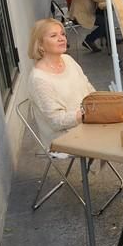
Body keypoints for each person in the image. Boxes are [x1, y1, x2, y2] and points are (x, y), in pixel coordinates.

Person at [28, 18, 95, 149]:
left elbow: (88, 88)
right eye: (54, 36)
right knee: (121, 141)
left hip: (87, 123)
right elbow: (56, 121)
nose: (62, 38)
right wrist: (88, 114)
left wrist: (104, 105)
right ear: (40, 45)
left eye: (62, 34)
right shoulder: (39, 79)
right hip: (63, 138)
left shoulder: (67, 59)